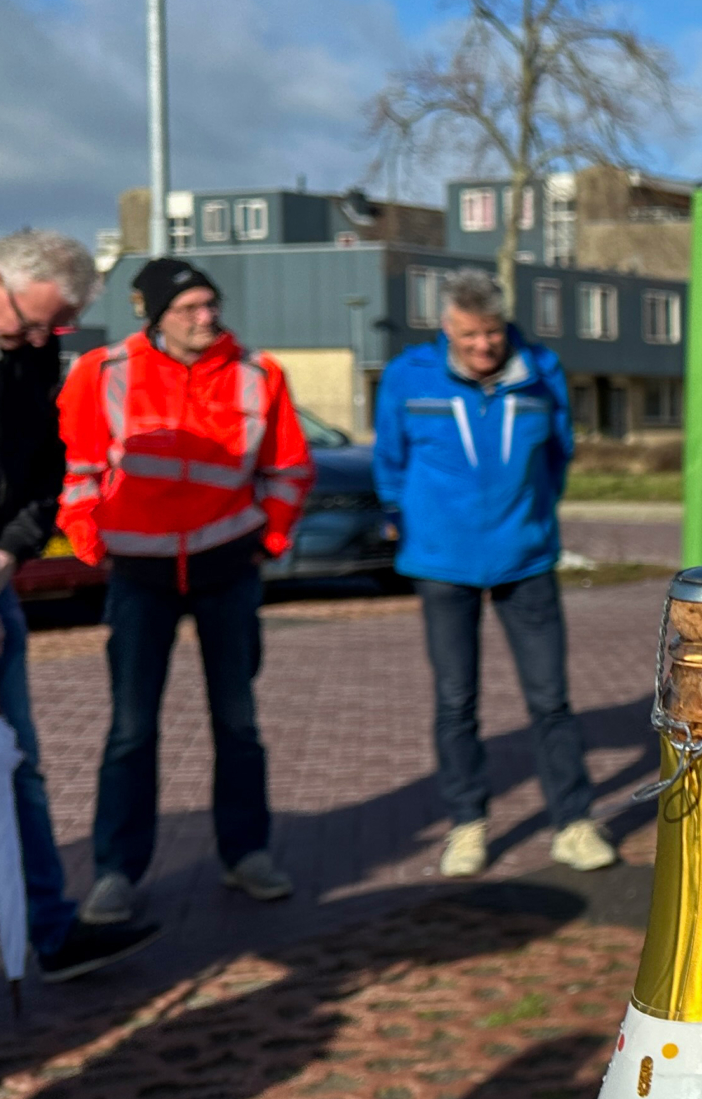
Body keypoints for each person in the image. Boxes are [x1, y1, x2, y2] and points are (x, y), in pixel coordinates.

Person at [58, 258, 314, 924]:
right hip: (139, 576)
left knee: (237, 722)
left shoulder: (261, 374)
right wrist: (91, 545)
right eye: (190, 308)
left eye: (212, 304)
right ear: (155, 315)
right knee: (131, 728)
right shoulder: (103, 372)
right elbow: (78, 469)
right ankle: (117, 870)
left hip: (227, 568)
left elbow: (288, 468)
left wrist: (269, 541)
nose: (207, 318)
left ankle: (247, 853)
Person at [0, 231, 164, 1026]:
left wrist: (7, 554)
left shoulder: (28, 353)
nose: (39, 340)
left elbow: (47, 469)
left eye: (55, 328)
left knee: (15, 766)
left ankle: (49, 931)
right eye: (32, 322)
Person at [373, 269, 615, 877]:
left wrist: (532, 514)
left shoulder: (541, 370)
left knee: (551, 698)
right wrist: (408, 517)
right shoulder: (409, 376)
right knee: (456, 701)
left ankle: (574, 824)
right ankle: (466, 825)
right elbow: (390, 461)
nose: (485, 347)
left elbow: (559, 455)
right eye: (470, 335)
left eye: (494, 333)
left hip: (525, 558)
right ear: (446, 328)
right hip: (441, 563)